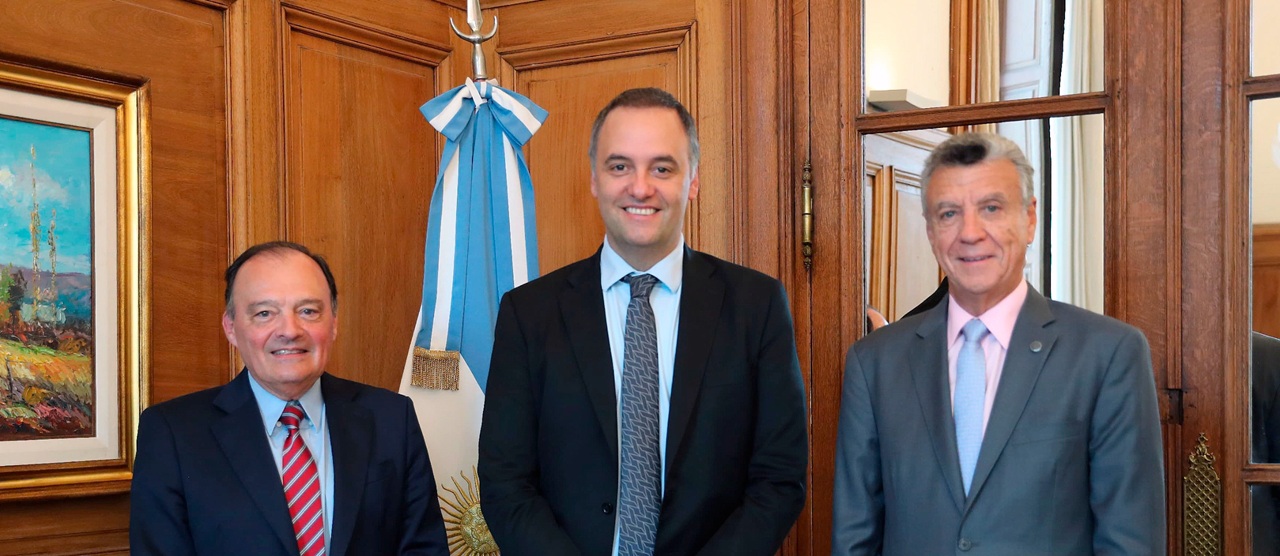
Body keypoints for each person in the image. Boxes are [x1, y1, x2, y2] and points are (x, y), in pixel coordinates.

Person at [479, 87, 807, 556]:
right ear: (594, 179)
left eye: (662, 168)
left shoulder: (757, 306)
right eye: (620, 166)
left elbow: (779, 478)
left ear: (693, 180)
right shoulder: (529, 314)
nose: (640, 187)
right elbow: (505, 483)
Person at [832, 132, 1166, 554]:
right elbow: (855, 537)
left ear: (1030, 219)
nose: (970, 233)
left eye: (991, 208)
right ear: (931, 231)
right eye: (949, 213)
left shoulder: (1108, 355)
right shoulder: (875, 363)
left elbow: (1130, 541)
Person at [130, 241, 449, 555]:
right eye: (265, 313)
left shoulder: (391, 418)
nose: (290, 330)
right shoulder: (173, 433)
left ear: (333, 323)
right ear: (231, 327)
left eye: (308, 311)